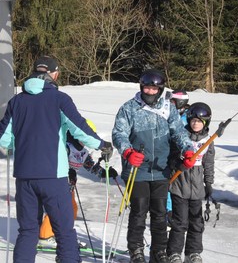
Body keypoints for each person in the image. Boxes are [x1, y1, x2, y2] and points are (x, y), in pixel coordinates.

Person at [0, 55, 113, 263]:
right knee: (64, 232)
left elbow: (4, 139)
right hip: (54, 176)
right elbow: (80, 130)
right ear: (54, 74)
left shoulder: (17, 101)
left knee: (27, 232)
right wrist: (102, 145)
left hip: (24, 177)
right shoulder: (59, 99)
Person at [112, 69, 195, 263]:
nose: (149, 92)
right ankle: (136, 250)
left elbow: (179, 133)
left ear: (160, 89)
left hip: (161, 169)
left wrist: (188, 149)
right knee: (139, 211)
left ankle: (159, 251)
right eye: (146, 88)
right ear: (141, 87)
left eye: (153, 88)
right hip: (137, 170)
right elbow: (119, 133)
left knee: (159, 213)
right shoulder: (130, 108)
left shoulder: (168, 108)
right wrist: (127, 152)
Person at [38, 119, 118, 249]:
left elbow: (91, 167)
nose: (87, 140)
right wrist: (68, 171)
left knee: (71, 209)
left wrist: (105, 173)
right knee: (57, 209)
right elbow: (54, 161)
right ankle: (45, 236)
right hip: (57, 183)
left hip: (69, 187)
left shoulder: (83, 152)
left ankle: (63, 235)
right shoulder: (66, 145)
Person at [166, 102, 215, 263]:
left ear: (205, 123)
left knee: (196, 221)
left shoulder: (208, 141)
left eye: (199, 121)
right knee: (179, 222)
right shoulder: (181, 137)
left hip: (197, 187)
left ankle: (192, 252)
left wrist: (208, 183)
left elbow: (208, 164)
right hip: (180, 184)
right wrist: (178, 162)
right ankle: (174, 252)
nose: (195, 124)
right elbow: (171, 156)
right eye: (193, 121)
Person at [167, 90, 190, 223]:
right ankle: (169, 211)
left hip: (182, 156)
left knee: (178, 183)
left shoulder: (187, 118)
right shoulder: (168, 113)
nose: (168, 103)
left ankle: (178, 211)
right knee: (168, 183)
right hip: (169, 154)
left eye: (172, 101)